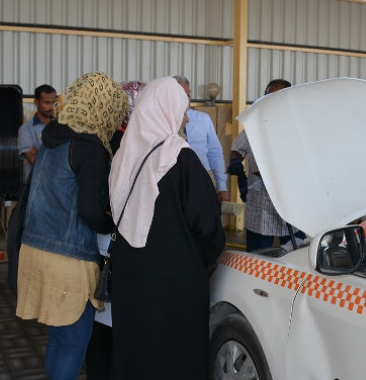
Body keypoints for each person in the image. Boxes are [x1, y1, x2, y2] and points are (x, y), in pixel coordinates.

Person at [109, 76, 225, 379]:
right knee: (174, 352)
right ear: (164, 109)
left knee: (135, 347)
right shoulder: (180, 157)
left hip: (129, 270)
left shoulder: (123, 154)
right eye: (182, 108)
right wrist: (204, 258)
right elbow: (208, 223)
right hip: (174, 280)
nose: (186, 117)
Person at [15, 72, 128, 380]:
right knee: (74, 343)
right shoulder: (89, 147)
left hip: (36, 248)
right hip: (67, 258)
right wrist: (113, 222)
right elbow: (90, 211)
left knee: (58, 338)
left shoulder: (53, 137)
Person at [85, 80, 146, 380]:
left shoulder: (104, 140)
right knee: (111, 321)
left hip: (106, 242)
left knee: (104, 323)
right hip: (116, 243)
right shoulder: (125, 145)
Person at [228, 79, 304, 252]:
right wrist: (235, 162)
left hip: (291, 202)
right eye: (267, 97)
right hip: (259, 200)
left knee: (296, 254)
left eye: (276, 97)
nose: (270, 101)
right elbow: (238, 148)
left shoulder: (299, 127)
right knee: (257, 256)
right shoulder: (256, 125)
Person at [173, 75, 229, 202]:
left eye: (188, 95)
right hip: (175, 182)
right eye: (180, 95)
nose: (186, 99)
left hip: (203, 178)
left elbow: (215, 153)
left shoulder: (203, 119)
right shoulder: (162, 122)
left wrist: (222, 188)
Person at [17, 84, 57, 182]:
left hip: (58, 189)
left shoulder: (61, 127)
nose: (51, 107)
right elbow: (33, 162)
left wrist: (40, 154)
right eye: (46, 102)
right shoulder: (25, 130)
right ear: (36, 102)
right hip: (36, 188)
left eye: (54, 102)